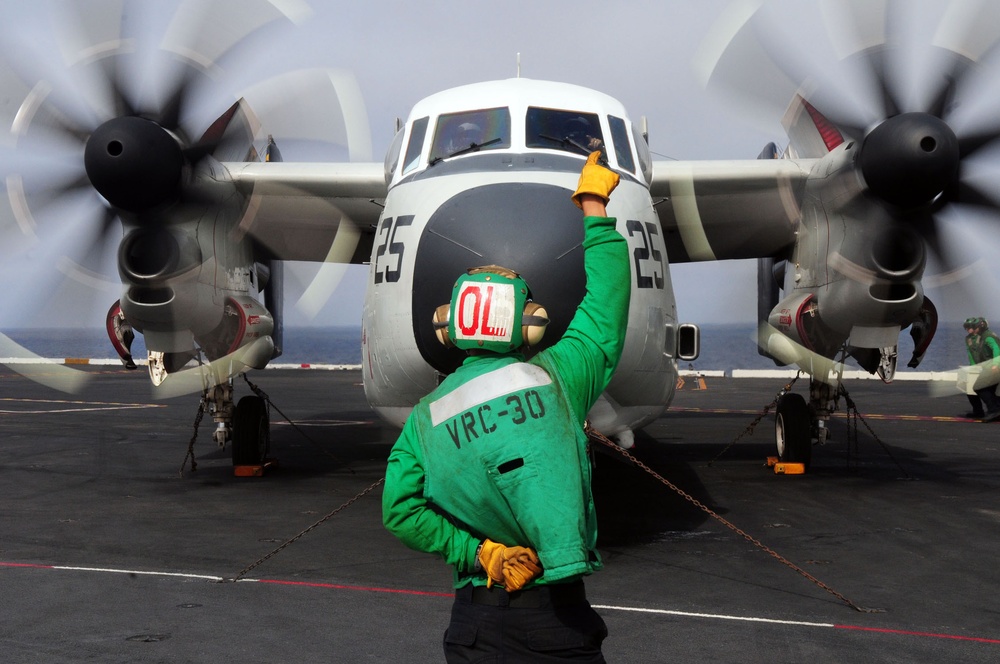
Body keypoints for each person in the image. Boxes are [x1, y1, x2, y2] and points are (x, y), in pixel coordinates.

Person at [382, 151, 628, 662]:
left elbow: (399, 510)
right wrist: (594, 206)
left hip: (473, 622)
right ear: (529, 323)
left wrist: (479, 553)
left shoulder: (425, 420)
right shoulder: (560, 376)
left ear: (448, 325)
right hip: (554, 619)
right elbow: (605, 305)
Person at [963, 317, 1000, 422]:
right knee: (988, 390)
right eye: (967, 328)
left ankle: (994, 410)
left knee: (979, 387)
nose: (969, 330)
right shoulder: (978, 337)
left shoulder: (987, 337)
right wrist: (973, 367)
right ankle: (985, 411)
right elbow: (971, 354)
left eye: (972, 327)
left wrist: (996, 365)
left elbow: (997, 350)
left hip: (994, 367)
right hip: (987, 368)